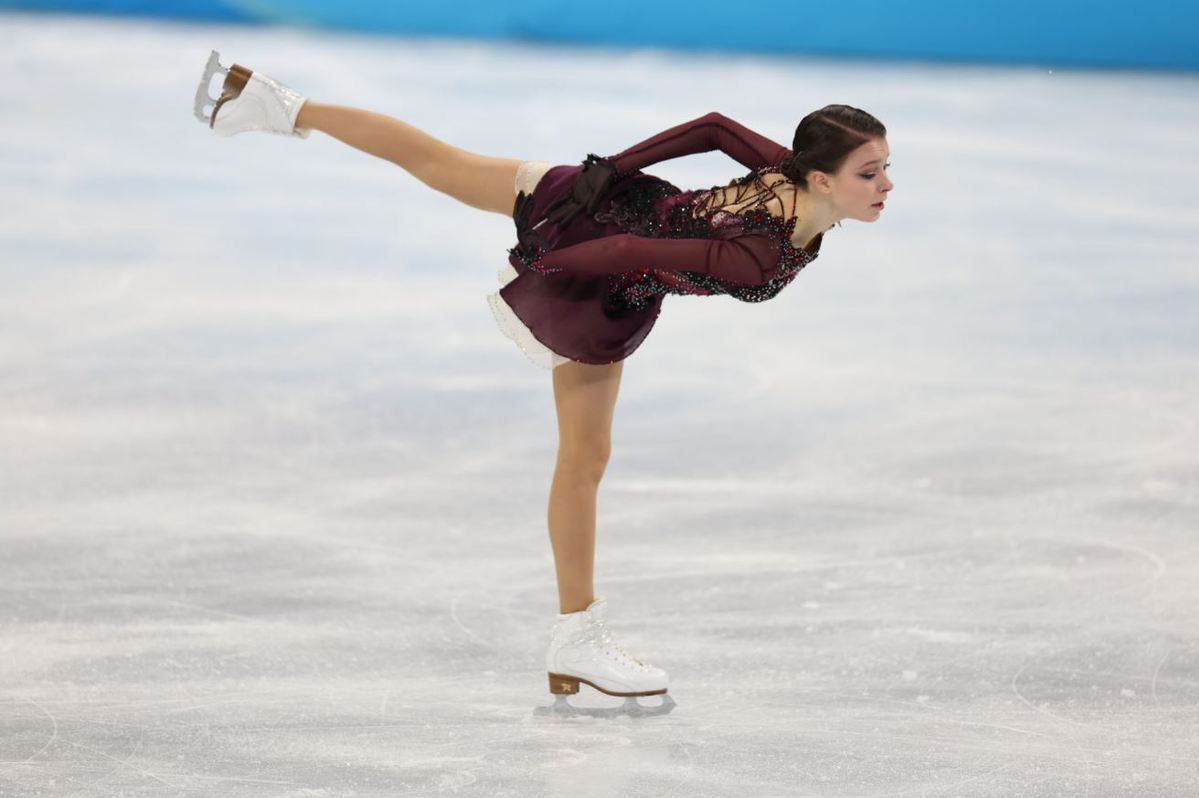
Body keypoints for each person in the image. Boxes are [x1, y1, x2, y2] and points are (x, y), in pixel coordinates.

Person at [192, 50, 893, 717]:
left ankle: (266, 100)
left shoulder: (790, 176)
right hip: (596, 264)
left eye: (885, 169)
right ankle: (575, 638)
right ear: (822, 179)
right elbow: (624, 251)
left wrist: (608, 170)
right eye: (869, 174)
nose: (885, 186)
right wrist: (547, 266)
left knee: (441, 162)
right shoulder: (755, 252)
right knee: (583, 458)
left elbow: (711, 128)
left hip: (600, 207)